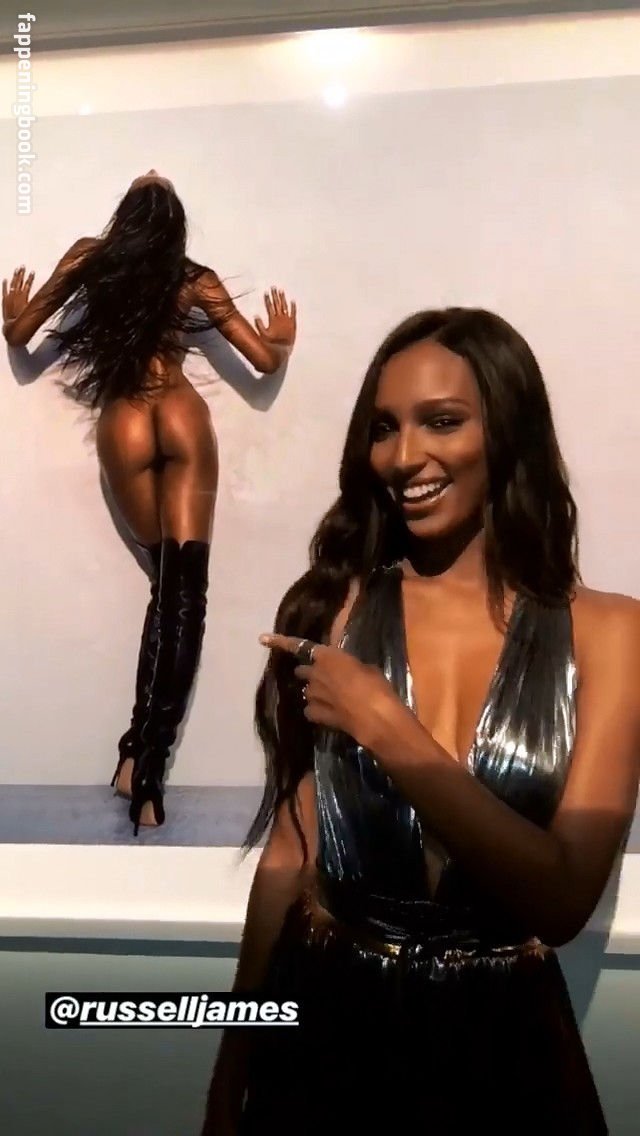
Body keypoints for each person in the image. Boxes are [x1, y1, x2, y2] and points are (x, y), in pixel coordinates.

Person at [201, 308, 639, 1134]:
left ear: (507, 430)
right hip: (329, 1037)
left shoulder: (613, 634)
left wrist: (384, 723)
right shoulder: (334, 609)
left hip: (508, 1053)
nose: (403, 458)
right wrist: (233, 1065)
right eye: (384, 428)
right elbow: (292, 850)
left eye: (441, 421)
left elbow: (561, 900)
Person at [2, 169, 297, 834]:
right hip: (183, 418)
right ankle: (147, 769)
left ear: (127, 217)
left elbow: (20, 336)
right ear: (175, 225)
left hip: (126, 420)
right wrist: (280, 339)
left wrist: (11, 312)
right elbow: (263, 360)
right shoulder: (193, 278)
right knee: (183, 592)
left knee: (167, 588)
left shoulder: (89, 259)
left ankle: (136, 758)